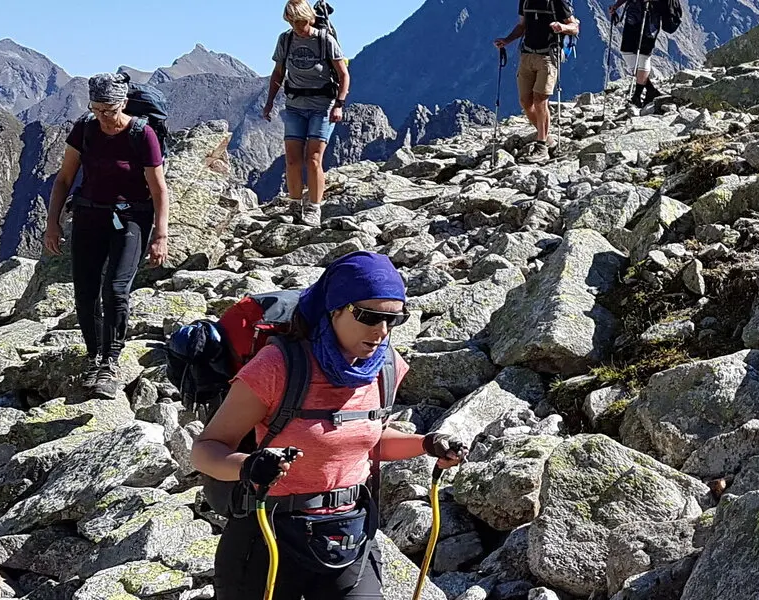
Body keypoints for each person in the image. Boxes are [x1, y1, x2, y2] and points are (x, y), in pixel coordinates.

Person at [194, 251, 464, 599]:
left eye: (393, 320)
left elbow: (367, 441)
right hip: (267, 533)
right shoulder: (277, 366)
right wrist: (249, 466)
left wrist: (427, 445)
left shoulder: (386, 368)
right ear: (334, 308)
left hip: (349, 532)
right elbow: (206, 450)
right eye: (369, 316)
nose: (381, 331)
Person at [43, 73, 171, 398]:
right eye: (96, 109)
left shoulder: (143, 135)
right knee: (85, 295)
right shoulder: (85, 128)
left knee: (114, 290)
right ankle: (92, 357)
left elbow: (158, 189)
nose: (103, 117)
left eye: (109, 110)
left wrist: (160, 234)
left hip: (131, 218)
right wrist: (52, 222)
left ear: (123, 103)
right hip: (88, 215)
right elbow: (63, 179)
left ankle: (110, 362)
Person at [264, 0, 350, 227]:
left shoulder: (324, 41)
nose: (297, 26)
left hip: (322, 108)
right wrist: (269, 102)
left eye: (300, 21)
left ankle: (314, 208)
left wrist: (339, 104)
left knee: (313, 159)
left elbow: (344, 75)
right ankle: (294, 206)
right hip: (294, 107)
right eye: (292, 22)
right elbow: (278, 73)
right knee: (292, 160)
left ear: (309, 18)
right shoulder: (286, 40)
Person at [495, 0, 580, 162]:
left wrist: (562, 28)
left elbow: (574, 27)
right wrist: (507, 40)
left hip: (548, 56)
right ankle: (547, 138)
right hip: (527, 54)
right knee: (525, 102)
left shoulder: (558, 2)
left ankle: (541, 146)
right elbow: (522, 26)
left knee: (540, 100)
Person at [609, 0, 663, 106]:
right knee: (627, 52)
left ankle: (636, 96)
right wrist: (616, 5)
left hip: (650, 15)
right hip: (633, 15)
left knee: (643, 54)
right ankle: (651, 90)